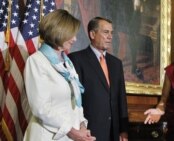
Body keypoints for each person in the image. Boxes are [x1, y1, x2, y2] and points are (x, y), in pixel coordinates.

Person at [23, 9, 96, 141]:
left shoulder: (68, 63)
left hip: (71, 136)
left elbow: (75, 101)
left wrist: (82, 125)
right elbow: (41, 108)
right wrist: (71, 131)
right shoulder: (37, 61)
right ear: (58, 32)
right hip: (47, 136)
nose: (74, 39)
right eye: (71, 34)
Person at [68, 17, 128, 141]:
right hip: (89, 132)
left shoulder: (116, 63)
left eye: (112, 33)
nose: (110, 36)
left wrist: (123, 130)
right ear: (92, 34)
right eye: (106, 32)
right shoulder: (77, 59)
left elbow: (121, 98)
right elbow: (75, 98)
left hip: (114, 133)